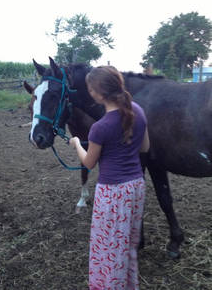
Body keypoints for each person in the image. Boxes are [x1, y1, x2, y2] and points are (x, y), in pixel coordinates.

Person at [69, 66, 149, 290]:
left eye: (90, 89)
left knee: (109, 248)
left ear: (97, 93)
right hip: (136, 187)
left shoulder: (100, 127)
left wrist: (76, 143)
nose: (90, 92)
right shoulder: (138, 111)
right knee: (128, 245)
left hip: (113, 193)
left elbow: (89, 162)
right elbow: (145, 147)